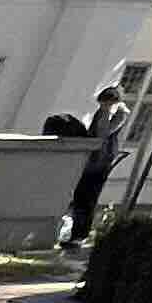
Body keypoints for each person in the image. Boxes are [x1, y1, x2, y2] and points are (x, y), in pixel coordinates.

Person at [61, 82, 131, 248]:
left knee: (87, 198)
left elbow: (102, 133)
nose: (103, 106)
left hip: (100, 161)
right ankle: (75, 233)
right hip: (92, 160)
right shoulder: (104, 112)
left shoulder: (118, 114)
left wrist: (106, 112)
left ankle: (80, 235)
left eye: (105, 103)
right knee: (80, 197)